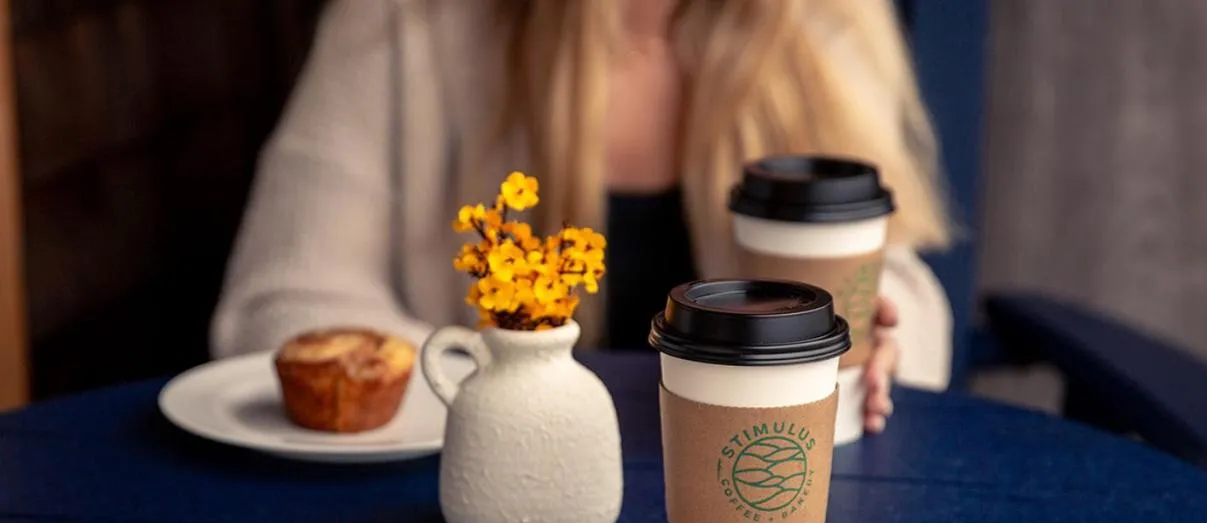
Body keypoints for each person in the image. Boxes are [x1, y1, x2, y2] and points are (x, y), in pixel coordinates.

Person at [211, 0, 954, 434]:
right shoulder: (410, 22)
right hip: (448, 522)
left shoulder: (820, 21)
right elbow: (280, 306)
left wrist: (881, 331)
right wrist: (510, 403)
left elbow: (896, 276)